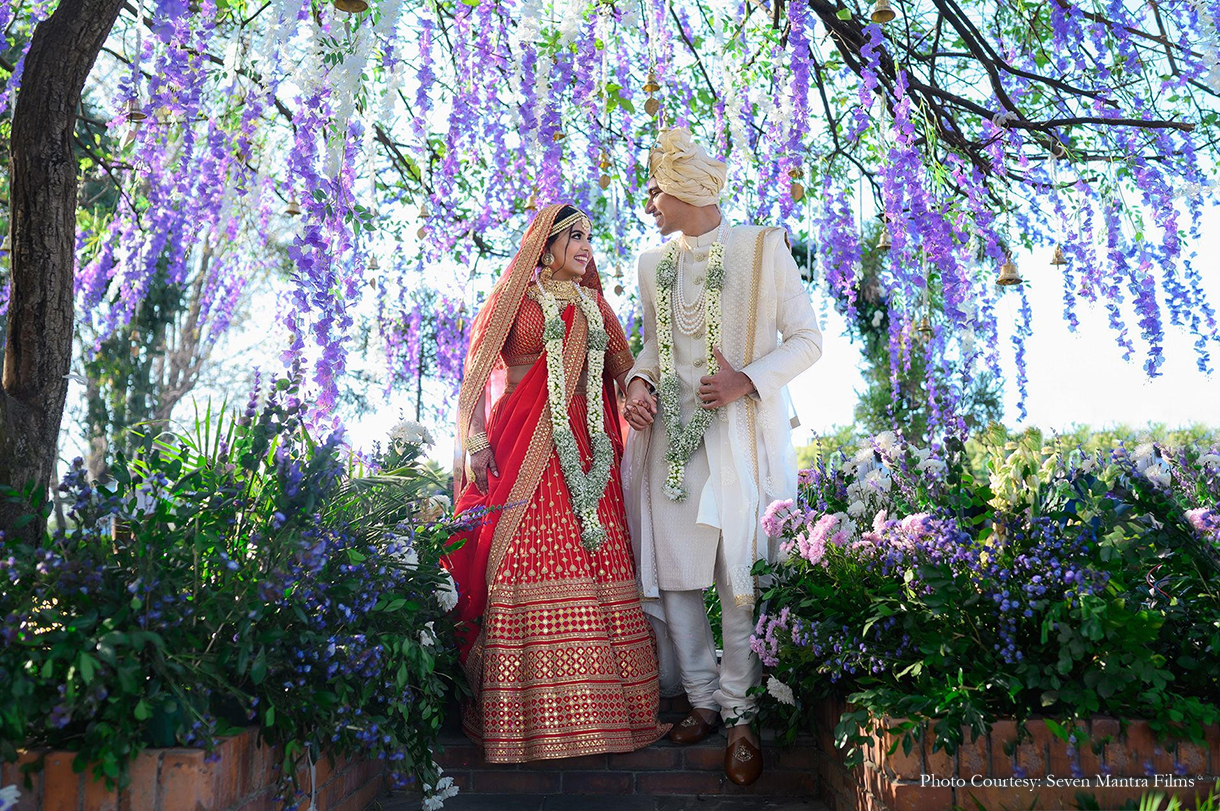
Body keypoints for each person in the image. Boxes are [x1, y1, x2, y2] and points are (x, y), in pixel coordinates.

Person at [621, 129, 823, 785]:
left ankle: (741, 714)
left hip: (739, 438)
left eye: (657, 189)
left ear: (687, 188)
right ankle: (703, 699)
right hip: (670, 446)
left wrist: (746, 380)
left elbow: (807, 340)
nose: (649, 203)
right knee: (679, 577)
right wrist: (638, 383)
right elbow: (655, 348)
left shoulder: (761, 247)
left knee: (738, 581)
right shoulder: (652, 264)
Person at [444, 203, 670, 763]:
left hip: (588, 455)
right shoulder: (513, 300)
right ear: (546, 246)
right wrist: (475, 440)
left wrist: (637, 391)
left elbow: (626, 368)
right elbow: (476, 372)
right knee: (515, 555)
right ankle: (521, 716)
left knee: (595, 560)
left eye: (589, 237)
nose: (585, 246)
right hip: (521, 444)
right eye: (574, 237)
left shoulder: (597, 305)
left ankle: (601, 714)